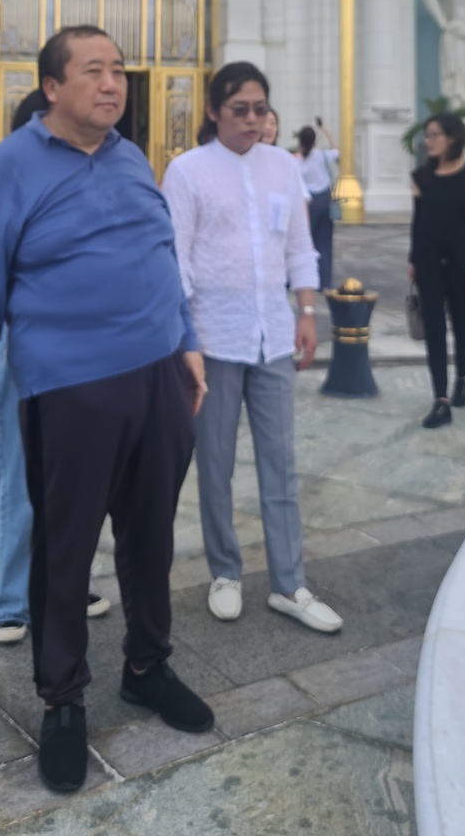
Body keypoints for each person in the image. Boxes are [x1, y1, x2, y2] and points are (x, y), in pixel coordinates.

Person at [0, 25, 212, 795]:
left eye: (120, 71)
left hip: (159, 375)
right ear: (52, 88)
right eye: (93, 71)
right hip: (68, 388)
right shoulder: (9, 169)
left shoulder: (133, 159)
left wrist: (188, 342)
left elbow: (162, 255)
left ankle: (146, 667)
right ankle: (62, 699)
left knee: (150, 536)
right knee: (64, 550)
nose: (112, 84)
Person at [163, 63, 343, 636]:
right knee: (214, 463)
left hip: (273, 334)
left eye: (260, 109)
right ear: (214, 110)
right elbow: (178, 263)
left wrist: (308, 312)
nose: (252, 119)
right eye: (239, 109)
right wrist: (186, 342)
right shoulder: (187, 172)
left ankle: (289, 584)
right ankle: (225, 572)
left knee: (280, 463)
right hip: (213, 341)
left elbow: (299, 247)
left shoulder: (283, 168)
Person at [0, 86, 110, 645]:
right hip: (26, 346)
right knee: (20, 474)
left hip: (84, 348)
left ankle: (66, 583)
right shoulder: (6, 182)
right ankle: (12, 600)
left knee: (76, 477)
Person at [408, 112, 465, 429]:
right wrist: (413, 260)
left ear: (452, 137)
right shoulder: (420, 177)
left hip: (463, 260)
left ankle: (462, 380)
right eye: (426, 136)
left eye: (433, 135)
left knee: (461, 323)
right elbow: (418, 224)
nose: (428, 141)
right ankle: (440, 400)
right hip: (428, 260)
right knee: (434, 328)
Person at [294, 120, 339, 292]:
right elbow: (336, 150)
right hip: (325, 201)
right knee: (325, 243)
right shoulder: (322, 155)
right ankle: (325, 281)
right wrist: (326, 131)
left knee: (307, 242)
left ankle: (307, 279)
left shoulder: (298, 161)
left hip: (309, 203)